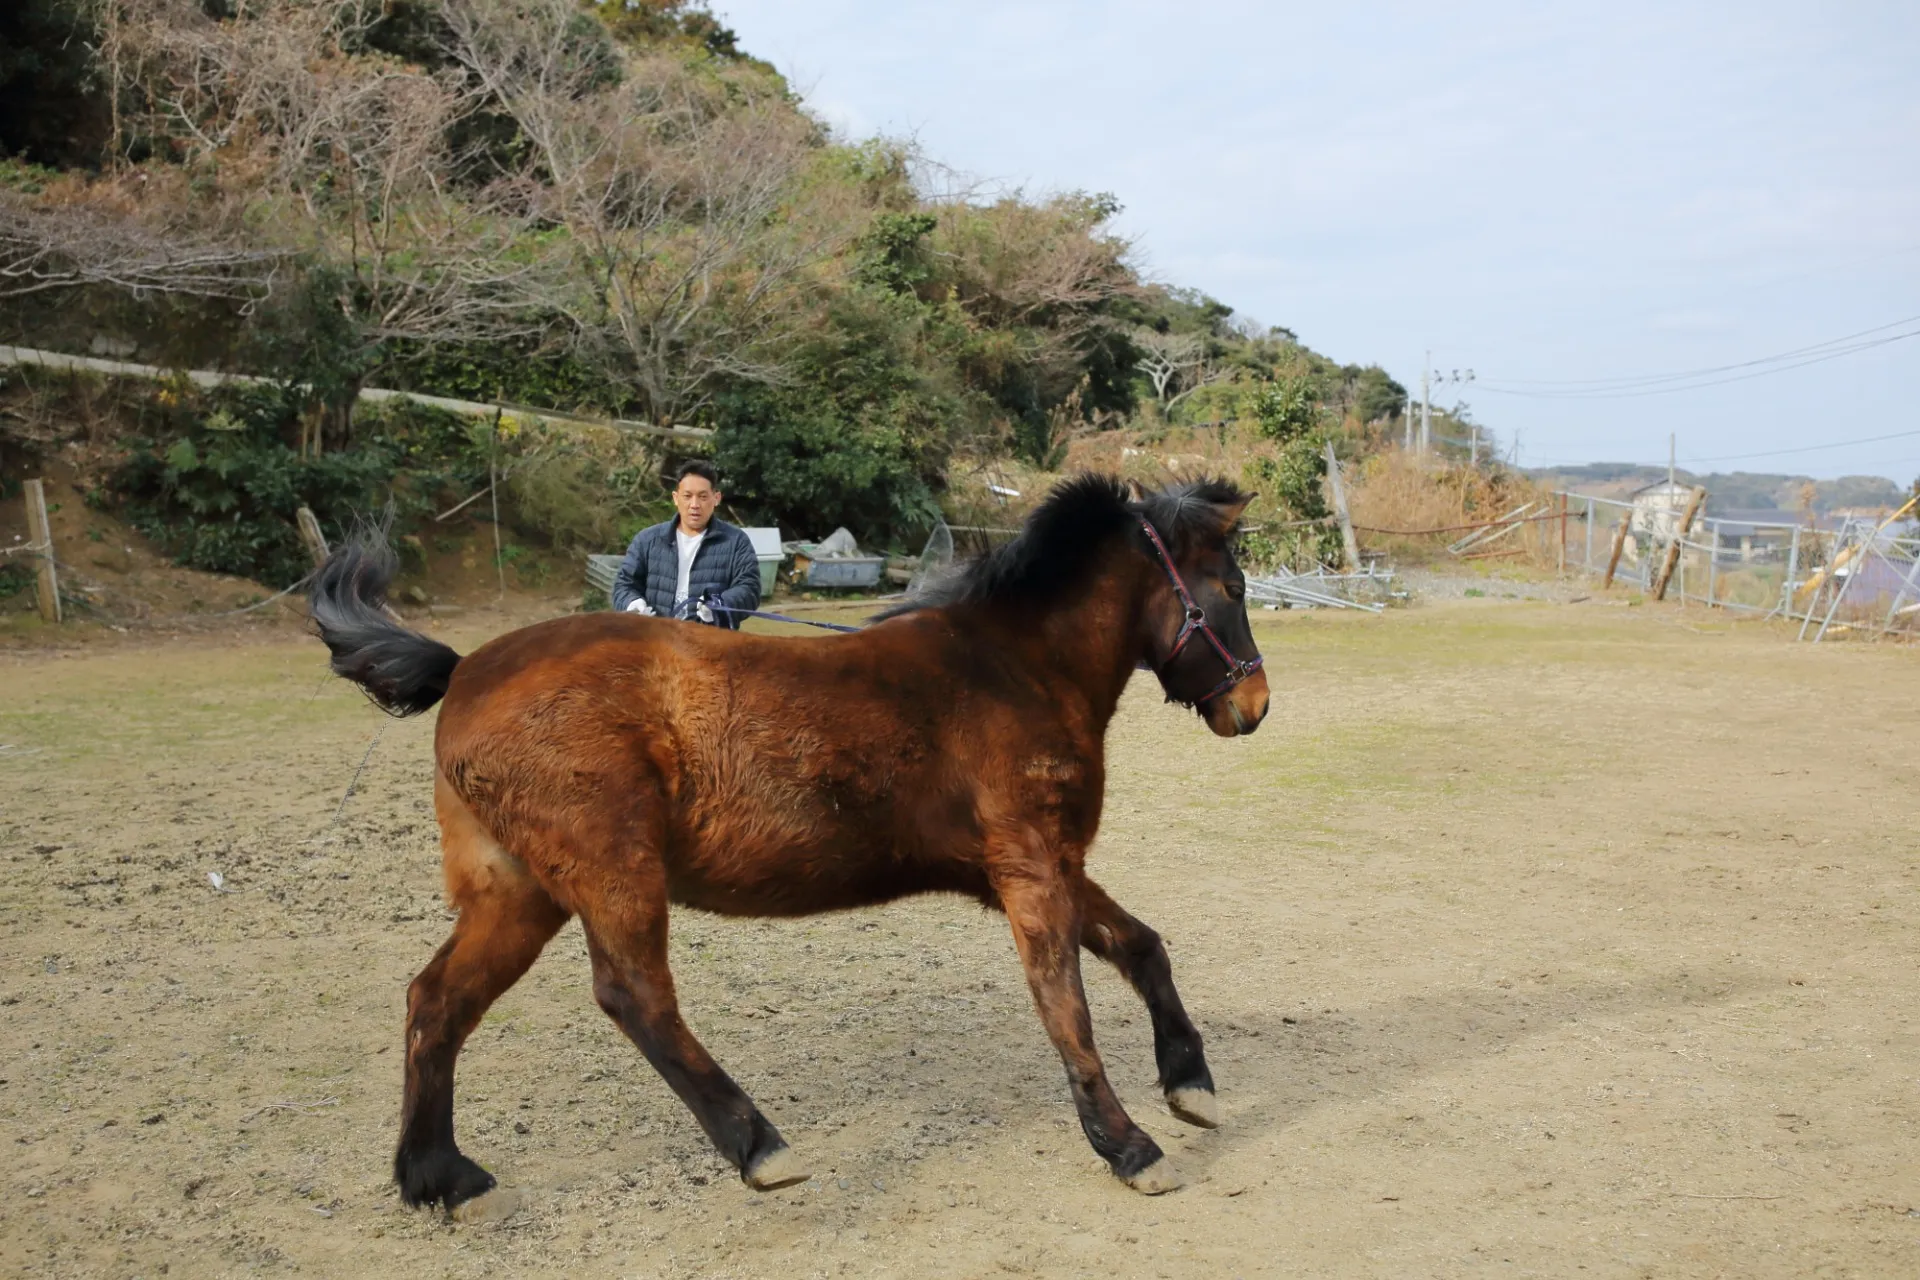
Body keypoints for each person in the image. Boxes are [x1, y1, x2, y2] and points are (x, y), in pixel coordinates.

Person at [610, 460, 762, 628]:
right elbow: (624, 584)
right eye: (687, 496)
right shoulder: (647, 540)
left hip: (710, 639)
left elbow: (750, 589)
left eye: (703, 497)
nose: (694, 505)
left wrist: (719, 605)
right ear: (676, 498)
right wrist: (633, 603)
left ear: (716, 498)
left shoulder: (736, 541)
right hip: (656, 637)